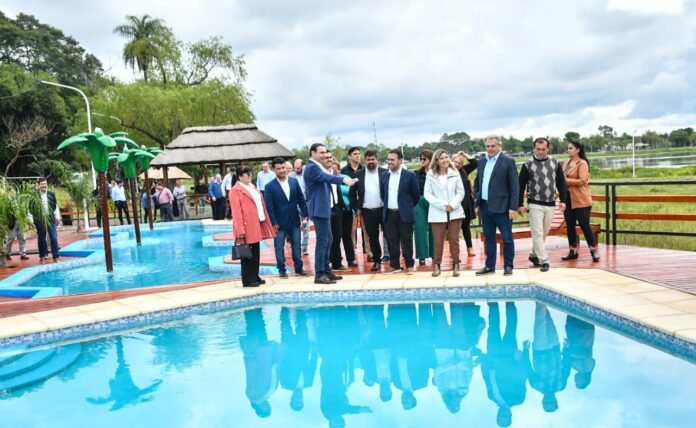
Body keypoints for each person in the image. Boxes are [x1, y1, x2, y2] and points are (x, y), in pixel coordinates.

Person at [304, 143, 358, 285]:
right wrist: (343, 180)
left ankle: (327, 271)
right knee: (323, 242)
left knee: (329, 239)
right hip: (319, 209)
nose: (324, 155)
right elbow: (326, 178)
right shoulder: (312, 167)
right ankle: (319, 274)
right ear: (313, 153)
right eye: (321, 152)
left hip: (325, 209)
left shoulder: (318, 167)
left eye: (325, 152)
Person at [518, 138, 568, 272]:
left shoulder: (555, 162)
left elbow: (561, 182)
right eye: (538, 149)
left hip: (551, 203)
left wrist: (563, 200)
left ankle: (534, 255)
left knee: (543, 233)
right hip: (534, 203)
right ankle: (544, 261)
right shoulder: (527, 164)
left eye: (543, 149)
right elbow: (520, 186)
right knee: (538, 233)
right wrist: (520, 204)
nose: (540, 152)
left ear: (548, 149)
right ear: (534, 148)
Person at [474, 135, 520, 276]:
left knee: (507, 238)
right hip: (485, 206)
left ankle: (508, 266)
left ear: (499, 145)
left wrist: (513, 207)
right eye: (488, 146)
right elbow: (478, 181)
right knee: (489, 238)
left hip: (503, 207)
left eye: (493, 146)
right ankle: (490, 266)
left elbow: (515, 186)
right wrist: (477, 195)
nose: (490, 148)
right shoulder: (482, 162)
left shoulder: (508, 161)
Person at [230, 166, 276, 287]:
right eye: (247, 174)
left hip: (256, 223)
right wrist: (240, 229)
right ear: (240, 176)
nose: (250, 176)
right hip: (246, 225)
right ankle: (248, 280)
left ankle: (255, 275)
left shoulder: (252, 186)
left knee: (255, 251)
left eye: (250, 173)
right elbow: (236, 212)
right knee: (247, 253)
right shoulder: (235, 190)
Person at [264, 157, 310, 278]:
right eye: (278, 168)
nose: (282, 170)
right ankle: (282, 270)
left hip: (294, 220)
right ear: (274, 170)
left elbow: (300, 199)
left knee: (297, 245)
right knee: (279, 247)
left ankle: (299, 269)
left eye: (283, 167)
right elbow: (269, 207)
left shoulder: (294, 182)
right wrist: (273, 222)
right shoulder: (269, 186)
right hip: (279, 223)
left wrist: (306, 214)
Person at [424, 149, 465, 277]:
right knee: (438, 241)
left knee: (454, 240)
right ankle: (437, 265)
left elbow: (460, 192)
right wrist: (442, 205)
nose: (445, 160)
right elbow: (427, 194)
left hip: (455, 211)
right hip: (437, 212)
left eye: (446, 157)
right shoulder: (431, 175)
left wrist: (453, 204)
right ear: (437, 160)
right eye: (441, 158)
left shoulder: (455, 173)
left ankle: (456, 264)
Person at [380, 149, 420, 274]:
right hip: (389, 213)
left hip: (404, 213)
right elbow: (382, 194)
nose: (389, 162)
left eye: (392, 160)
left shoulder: (409, 175)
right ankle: (395, 265)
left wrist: (406, 207)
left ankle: (409, 265)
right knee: (392, 240)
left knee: (407, 240)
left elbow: (416, 195)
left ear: (400, 160)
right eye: (388, 159)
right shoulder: (384, 176)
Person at [349, 149, 387, 272]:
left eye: (373, 159)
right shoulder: (358, 174)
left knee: (390, 235)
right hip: (367, 210)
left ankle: (393, 260)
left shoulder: (385, 172)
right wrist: (356, 207)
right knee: (373, 237)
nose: (371, 162)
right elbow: (352, 193)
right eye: (368, 159)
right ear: (365, 160)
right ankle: (377, 261)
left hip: (383, 209)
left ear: (377, 160)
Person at [562, 140, 600, 262]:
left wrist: (566, 180)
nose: (568, 150)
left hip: (581, 199)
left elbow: (583, 181)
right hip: (568, 198)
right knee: (570, 226)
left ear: (578, 150)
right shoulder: (566, 162)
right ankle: (572, 251)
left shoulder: (582, 163)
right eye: (568, 148)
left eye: (571, 148)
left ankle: (593, 250)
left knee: (584, 224)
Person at [328, 153, 354, 272]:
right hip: (331, 210)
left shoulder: (342, 177)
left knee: (344, 236)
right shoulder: (327, 178)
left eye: (336, 169)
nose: (334, 171)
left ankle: (346, 260)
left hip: (343, 209)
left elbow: (349, 191)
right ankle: (333, 261)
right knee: (332, 238)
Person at [452, 151, 478, 257]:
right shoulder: (447, 172)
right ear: (451, 161)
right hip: (453, 205)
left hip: (465, 204)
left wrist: (465, 155)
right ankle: (454, 250)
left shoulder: (464, 171)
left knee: (466, 227)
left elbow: (475, 163)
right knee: (453, 229)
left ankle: (469, 248)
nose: (457, 164)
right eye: (455, 162)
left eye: (459, 163)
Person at [340, 147, 363, 266]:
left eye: (359, 153)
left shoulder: (364, 169)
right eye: (355, 154)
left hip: (364, 204)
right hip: (349, 206)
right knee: (350, 232)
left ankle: (370, 253)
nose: (358, 156)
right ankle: (351, 256)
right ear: (349, 156)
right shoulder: (343, 171)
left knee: (368, 231)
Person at [414, 150, 435, 266]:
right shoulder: (416, 173)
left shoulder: (436, 173)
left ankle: (434, 254)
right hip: (420, 200)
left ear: (431, 160)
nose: (422, 161)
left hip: (434, 201)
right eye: (420, 159)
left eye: (424, 159)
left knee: (434, 228)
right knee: (419, 228)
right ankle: (421, 256)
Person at [35, 178, 62, 263]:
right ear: (39, 185)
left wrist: (57, 217)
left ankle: (56, 256)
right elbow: (30, 208)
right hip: (40, 219)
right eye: (42, 184)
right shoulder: (35, 195)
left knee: (54, 237)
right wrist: (31, 219)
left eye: (45, 184)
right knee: (41, 238)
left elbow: (55, 206)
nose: (44, 185)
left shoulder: (51, 194)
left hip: (50, 218)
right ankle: (42, 256)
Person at [289, 159, 310, 255]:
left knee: (305, 226)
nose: (297, 169)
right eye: (295, 168)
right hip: (294, 203)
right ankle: (296, 246)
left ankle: (304, 247)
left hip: (305, 202)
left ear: (302, 167)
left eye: (298, 168)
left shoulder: (307, 176)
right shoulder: (290, 176)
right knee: (295, 225)